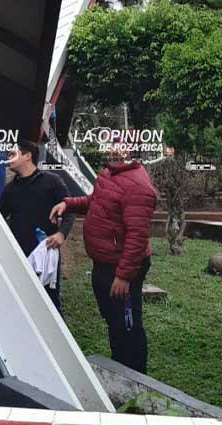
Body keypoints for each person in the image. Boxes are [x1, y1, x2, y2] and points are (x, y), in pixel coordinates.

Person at [50, 148, 157, 373]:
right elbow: (95, 201)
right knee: (114, 321)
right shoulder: (109, 173)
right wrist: (68, 204)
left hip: (120, 267)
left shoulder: (138, 187)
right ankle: (119, 368)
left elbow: (137, 236)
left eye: (120, 145)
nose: (112, 149)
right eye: (111, 143)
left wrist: (123, 276)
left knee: (128, 326)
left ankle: (136, 378)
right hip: (103, 263)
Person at [0, 140, 73, 314]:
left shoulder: (52, 181)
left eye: (12, 154)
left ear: (27, 155)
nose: (8, 158)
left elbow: (70, 209)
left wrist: (62, 234)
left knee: (49, 302)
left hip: (46, 253)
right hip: (18, 254)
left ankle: (55, 340)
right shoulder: (10, 189)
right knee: (19, 301)